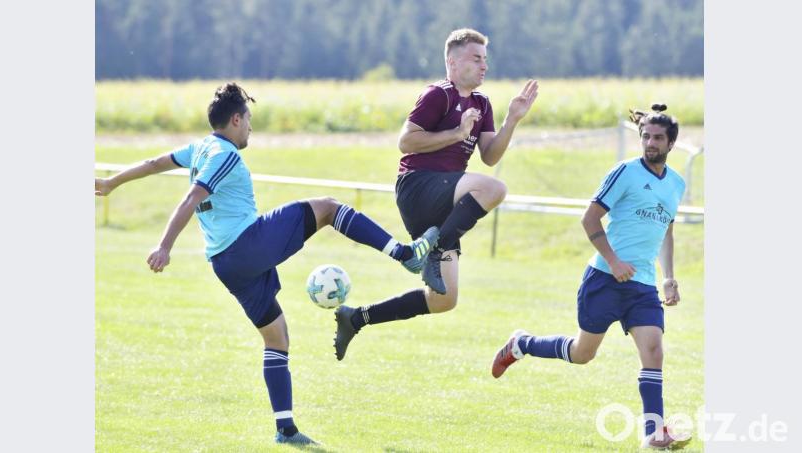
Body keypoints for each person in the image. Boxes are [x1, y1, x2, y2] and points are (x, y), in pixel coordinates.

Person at [94, 83, 439, 446]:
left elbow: (154, 164)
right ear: (235, 119)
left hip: (224, 264)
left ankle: (285, 429)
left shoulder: (199, 148)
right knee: (328, 208)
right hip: (247, 244)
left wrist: (112, 182)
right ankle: (405, 254)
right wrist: (165, 246)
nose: (250, 128)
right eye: (248, 120)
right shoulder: (224, 154)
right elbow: (193, 196)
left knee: (276, 337)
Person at [490, 104, 692, 449]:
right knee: (582, 353)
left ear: (671, 143)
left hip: (642, 285)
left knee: (654, 351)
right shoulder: (625, 172)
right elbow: (589, 219)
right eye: (645, 136)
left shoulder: (676, 183)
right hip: (604, 279)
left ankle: (653, 433)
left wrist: (668, 277)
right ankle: (522, 343)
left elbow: (666, 232)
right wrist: (614, 261)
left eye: (658, 138)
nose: (650, 143)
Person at [333, 28, 539, 361]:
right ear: (453, 62)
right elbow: (406, 142)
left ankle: (356, 318)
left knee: (444, 299)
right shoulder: (438, 94)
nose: (484, 66)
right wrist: (457, 133)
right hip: (418, 186)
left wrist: (512, 120)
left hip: (446, 200)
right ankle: (435, 249)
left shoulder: (482, 104)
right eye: (476, 59)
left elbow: (490, 156)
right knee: (495, 188)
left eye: (485, 59)